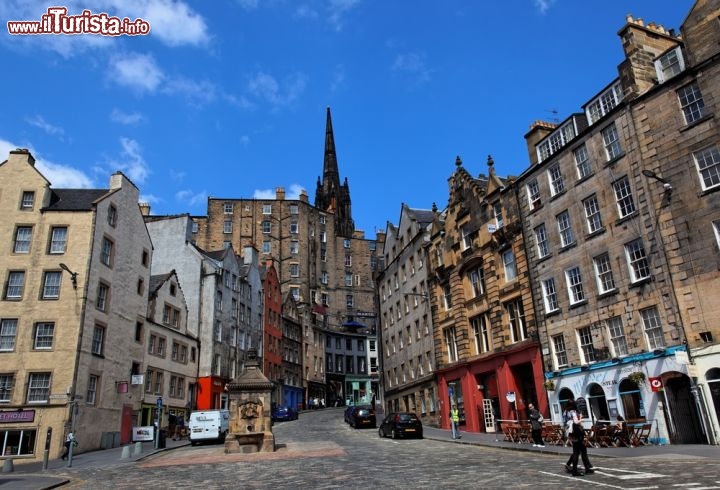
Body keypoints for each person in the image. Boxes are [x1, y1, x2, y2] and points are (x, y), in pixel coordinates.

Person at [564, 400, 594, 477]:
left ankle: (586, 468)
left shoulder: (566, 412)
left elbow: (567, 422)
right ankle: (577, 470)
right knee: (579, 452)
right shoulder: (573, 412)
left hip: (571, 434)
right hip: (577, 433)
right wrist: (581, 419)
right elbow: (576, 422)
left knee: (578, 451)